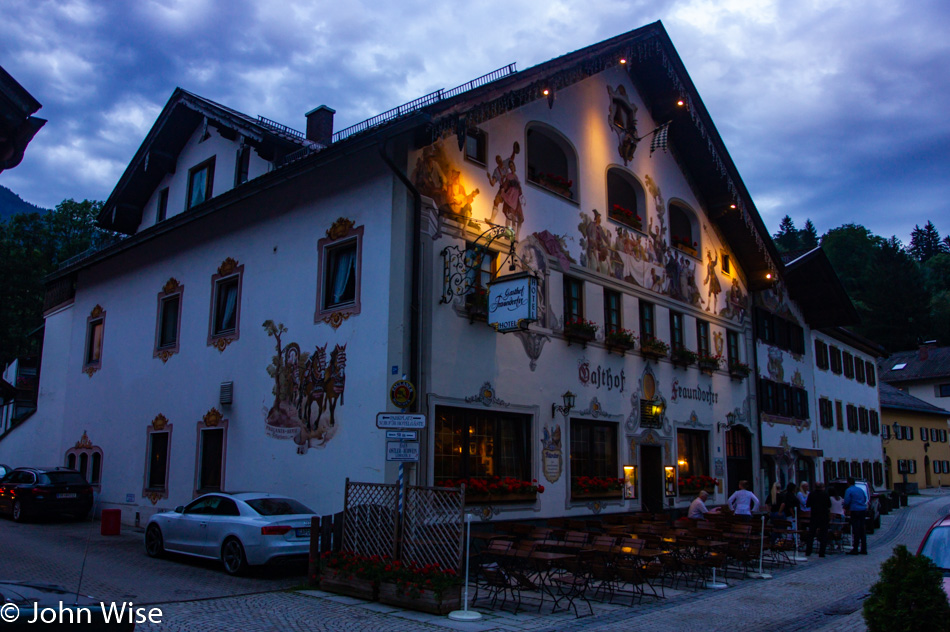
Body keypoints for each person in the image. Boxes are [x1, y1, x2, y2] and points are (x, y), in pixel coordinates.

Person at [805, 482, 831, 557]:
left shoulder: (812, 494)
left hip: (814, 516)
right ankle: (822, 552)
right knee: (823, 535)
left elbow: (808, 504)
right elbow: (829, 504)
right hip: (823, 516)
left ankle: (808, 551)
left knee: (811, 534)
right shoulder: (825, 494)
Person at [843, 477, 868, 555]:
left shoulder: (849, 490)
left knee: (856, 529)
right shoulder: (860, 490)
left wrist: (845, 507)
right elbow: (865, 498)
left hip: (855, 510)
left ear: (848, 483)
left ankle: (855, 548)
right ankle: (864, 548)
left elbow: (847, 501)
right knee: (862, 529)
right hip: (862, 510)